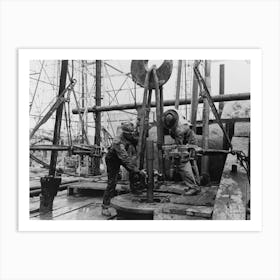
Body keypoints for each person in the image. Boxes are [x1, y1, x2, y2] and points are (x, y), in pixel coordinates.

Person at [101, 122, 145, 216]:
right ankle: (105, 206)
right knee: (112, 182)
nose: (132, 134)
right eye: (130, 133)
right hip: (112, 159)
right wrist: (137, 170)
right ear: (125, 133)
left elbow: (136, 139)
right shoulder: (118, 142)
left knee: (133, 173)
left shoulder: (129, 135)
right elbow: (125, 158)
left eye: (133, 133)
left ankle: (135, 191)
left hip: (121, 157)